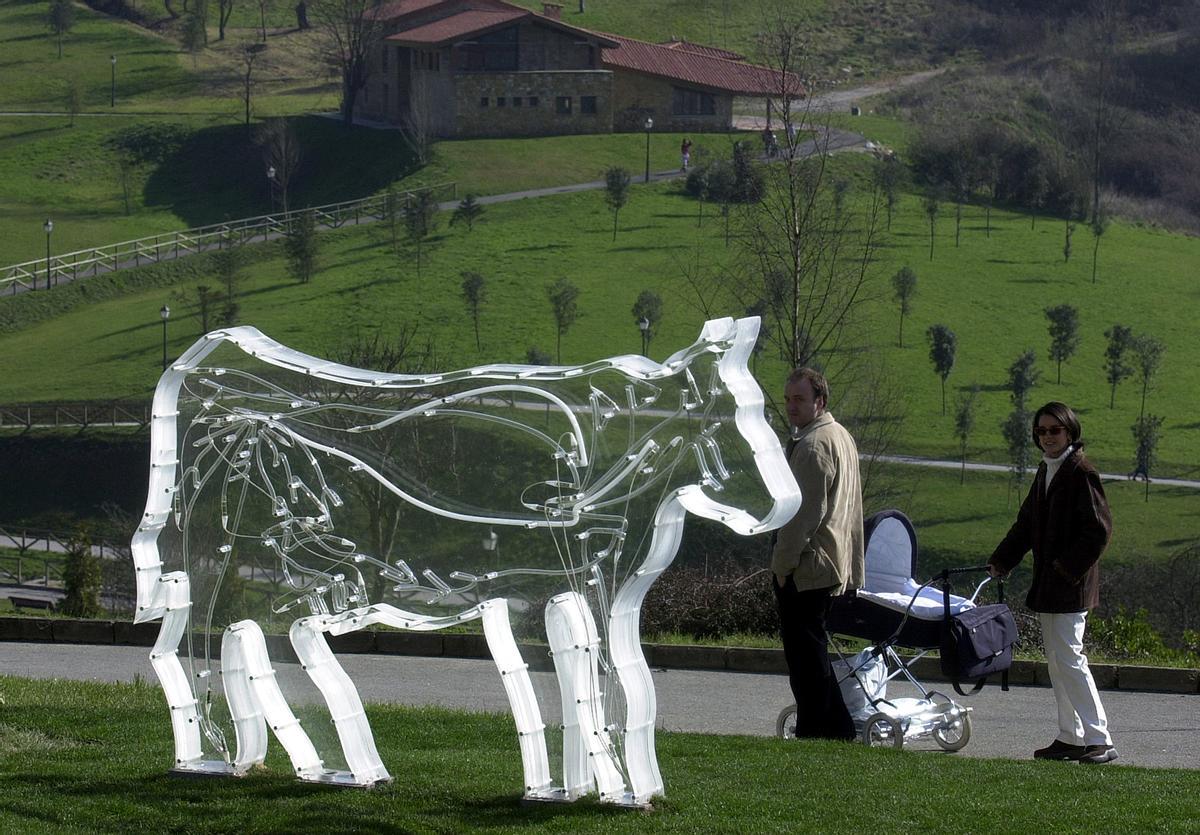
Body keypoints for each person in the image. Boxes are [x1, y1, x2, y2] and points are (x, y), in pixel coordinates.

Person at [989, 401, 1117, 764]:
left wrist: (1064, 569)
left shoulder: (1081, 472)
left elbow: (1098, 532)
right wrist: (1002, 560)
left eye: (1054, 430)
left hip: (1070, 585)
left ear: (1070, 432)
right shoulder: (1047, 471)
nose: (1047, 437)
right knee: (1058, 662)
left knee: (1070, 659)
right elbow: (1027, 524)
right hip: (1051, 584)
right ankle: (1072, 736)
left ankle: (1100, 739)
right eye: (1041, 431)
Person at [770, 367, 864, 740]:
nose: (792, 407)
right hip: (830, 562)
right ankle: (836, 728)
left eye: (800, 399)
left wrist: (782, 565)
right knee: (813, 653)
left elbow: (803, 516)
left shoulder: (813, 445)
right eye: (788, 399)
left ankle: (816, 729)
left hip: (809, 567)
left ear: (819, 401)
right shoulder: (838, 435)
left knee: (805, 659)